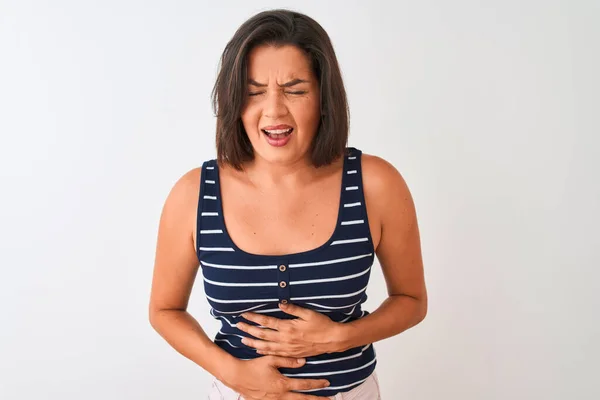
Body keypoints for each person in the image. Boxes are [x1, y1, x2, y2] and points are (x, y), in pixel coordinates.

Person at [148, 8, 427, 400]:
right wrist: (234, 374)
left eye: (295, 90)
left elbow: (411, 301)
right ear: (234, 102)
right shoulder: (194, 193)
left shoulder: (375, 184)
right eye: (254, 91)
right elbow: (164, 311)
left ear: (323, 99)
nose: (275, 110)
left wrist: (339, 336)